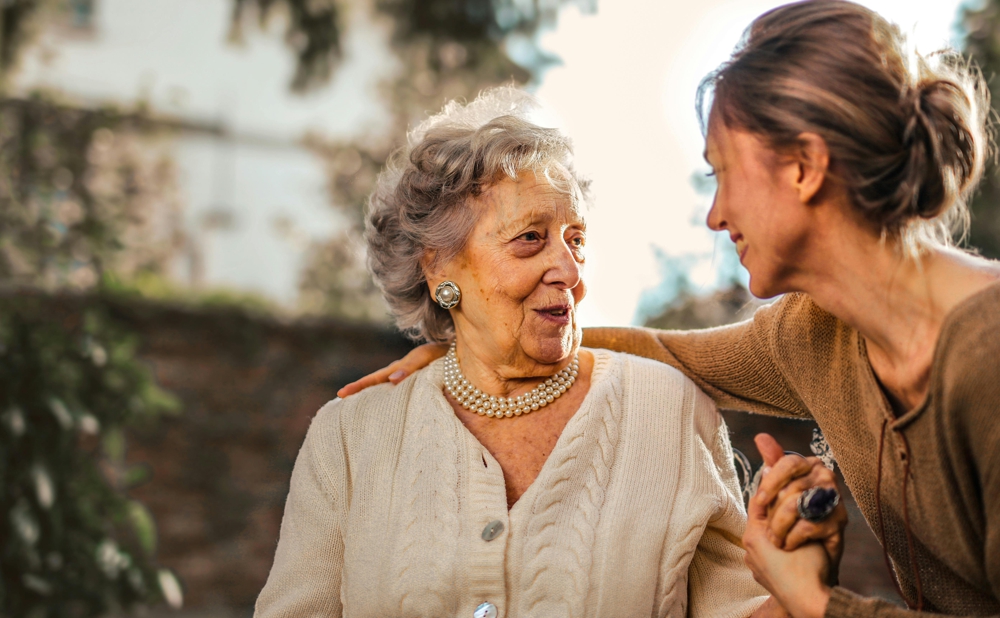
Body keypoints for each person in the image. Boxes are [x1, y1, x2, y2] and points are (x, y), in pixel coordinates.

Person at [338, 2, 1000, 617]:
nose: (716, 216)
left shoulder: (987, 353)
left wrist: (815, 602)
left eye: (722, 173)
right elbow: (666, 352)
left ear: (803, 167)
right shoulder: (814, 335)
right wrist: (480, 342)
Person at [255, 87, 782, 617]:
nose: (570, 271)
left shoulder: (670, 410)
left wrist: (798, 580)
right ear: (438, 267)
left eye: (576, 239)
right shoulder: (349, 437)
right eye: (531, 238)